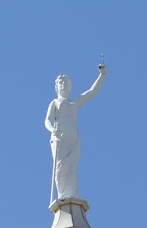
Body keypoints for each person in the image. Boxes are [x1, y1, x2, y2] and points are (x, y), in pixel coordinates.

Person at [45, 63, 106, 202]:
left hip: (73, 137)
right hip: (59, 138)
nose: (63, 84)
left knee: (71, 165)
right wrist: (53, 130)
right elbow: (47, 120)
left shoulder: (74, 102)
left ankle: (71, 194)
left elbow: (91, 91)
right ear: (56, 86)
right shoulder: (54, 102)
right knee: (61, 166)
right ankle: (62, 195)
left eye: (65, 82)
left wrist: (102, 75)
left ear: (70, 86)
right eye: (60, 82)